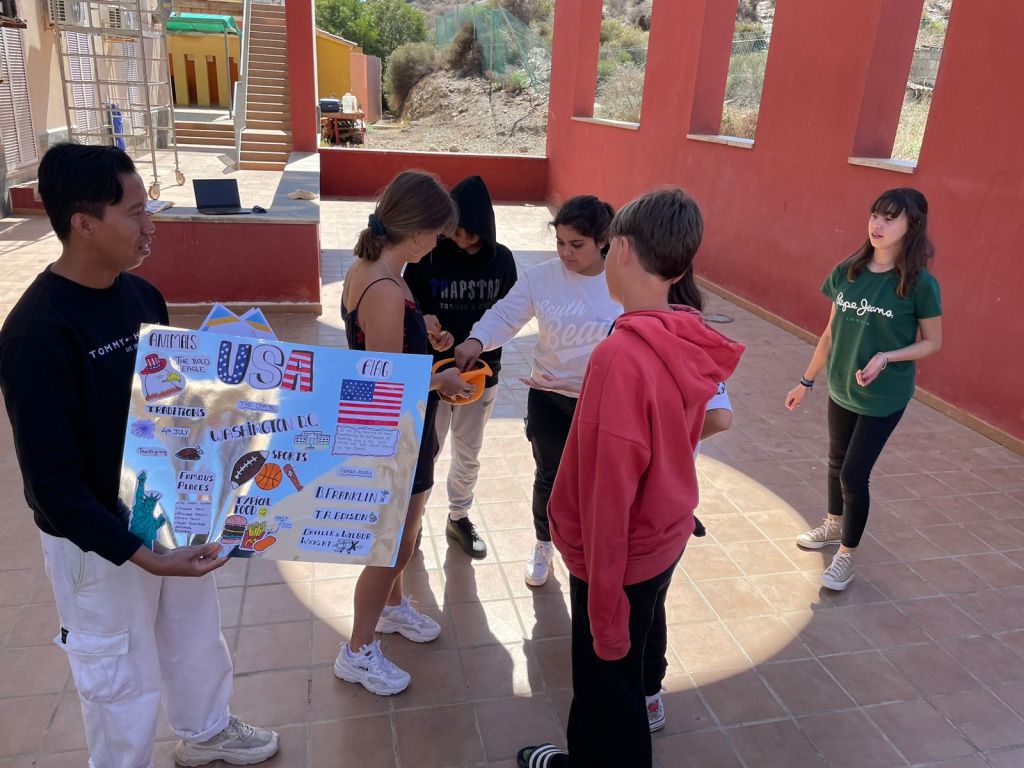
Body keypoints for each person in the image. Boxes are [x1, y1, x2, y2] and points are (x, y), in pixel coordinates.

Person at [0, 143, 279, 767]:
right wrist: (139, 554)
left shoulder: (143, 298)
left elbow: (169, 410)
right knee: (118, 678)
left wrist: (232, 397)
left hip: (165, 514)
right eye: (135, 212)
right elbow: (51, 486)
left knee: (194, 636)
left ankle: (206, 732)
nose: (150, 225)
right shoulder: (36, 335)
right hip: (94, 542)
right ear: (84, 222)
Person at [516, 188, 744, 768]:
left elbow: (608, 493)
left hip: (620, 553)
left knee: (606, 689)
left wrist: (604, 605)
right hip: (663, 533)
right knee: (619, 683)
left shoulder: (619, 357)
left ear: (619, 251)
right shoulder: (683, 331)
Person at [333, 170, 473, 696]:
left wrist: (423, 332)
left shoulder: (373, 269)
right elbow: (381, 385)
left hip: (402, 431)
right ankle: (357, 651)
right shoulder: (387, 289)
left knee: (399, 534)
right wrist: (440, 378)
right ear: (417, 234)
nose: (438, 244)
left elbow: (386, 351)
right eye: (437, 235)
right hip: (395, 434)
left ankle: (391, 608)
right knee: (393, 545)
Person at [453, 195, 621, 587]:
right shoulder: (541, 278)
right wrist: (477, 340)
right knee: (549, 475)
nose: (565, 252)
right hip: (548, 395)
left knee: (599, 481)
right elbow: (505, 315)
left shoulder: (622, 281)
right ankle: (544, 544)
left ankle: (593, 549)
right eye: (560, 242)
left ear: (602, 241)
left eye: (576, 244)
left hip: (603, 402)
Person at [786, 187, 942, 591]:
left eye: (890, 218)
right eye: (875, 215)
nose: (878, 224)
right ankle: (833, 525)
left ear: (912, 225)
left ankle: (846, 556)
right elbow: (829, 333)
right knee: (836, 461)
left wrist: (887, 357)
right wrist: (806, 381)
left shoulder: (919, 284)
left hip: (884, 397)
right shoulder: (847, 271)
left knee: (854, 474)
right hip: (841, 387)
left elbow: (932, 342)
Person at [403, 175, 519, 559]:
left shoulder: (502, 261)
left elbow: (511, 315)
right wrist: (426, 323)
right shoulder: (428, 256)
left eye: (469, 232)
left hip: (480, 376)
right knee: (427, 451)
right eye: (454, 231)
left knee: (468, 452)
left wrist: (480, 343)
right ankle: (413, 521)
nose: (460, 239)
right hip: (435, 376)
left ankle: (459, 517)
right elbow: (408, 305)